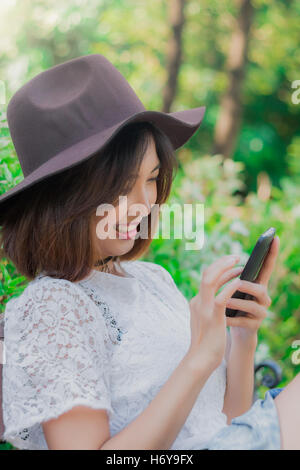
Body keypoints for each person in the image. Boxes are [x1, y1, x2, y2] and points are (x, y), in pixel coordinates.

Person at [0, 54, 298, 450]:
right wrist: (198, 359)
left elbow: (228, 422)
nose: (143, 203)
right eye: (122, 184)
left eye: (152, 179)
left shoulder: (151, 279)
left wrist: (241, 337)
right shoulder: (52, 307)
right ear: (64, 196)